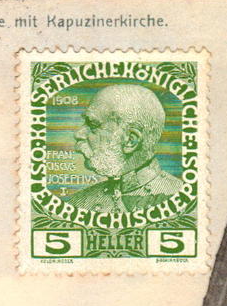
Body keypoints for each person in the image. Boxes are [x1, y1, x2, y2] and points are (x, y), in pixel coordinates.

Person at [70, 84, 185, 214]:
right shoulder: (78, 202)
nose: (78, 134)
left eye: (93, 125)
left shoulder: (185, 203)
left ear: (130, 140)